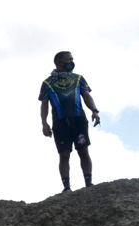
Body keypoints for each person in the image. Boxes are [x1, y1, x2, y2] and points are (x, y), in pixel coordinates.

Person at [40, 51, 101, 192]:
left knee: (83, 150)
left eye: (72, 59)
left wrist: (95, 110)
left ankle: (88, 183)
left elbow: (86, 96)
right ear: (59, 62)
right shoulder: (47, 83)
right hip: (60, 123)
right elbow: (44, 104)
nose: (72, 62)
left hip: (79, 120)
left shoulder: (79, 78)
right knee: (64, 154)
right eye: (69, 59)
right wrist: (44, 123)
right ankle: (66, 187)